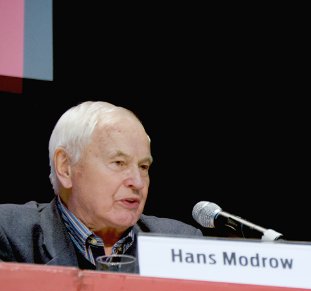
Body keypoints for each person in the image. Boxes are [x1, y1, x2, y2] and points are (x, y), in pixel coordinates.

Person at [0, 100, 202, 269]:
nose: (138, 182)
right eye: (118, 163)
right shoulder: (11, 234)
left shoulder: (180, 243)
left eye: (143, 166)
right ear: (66, 167)